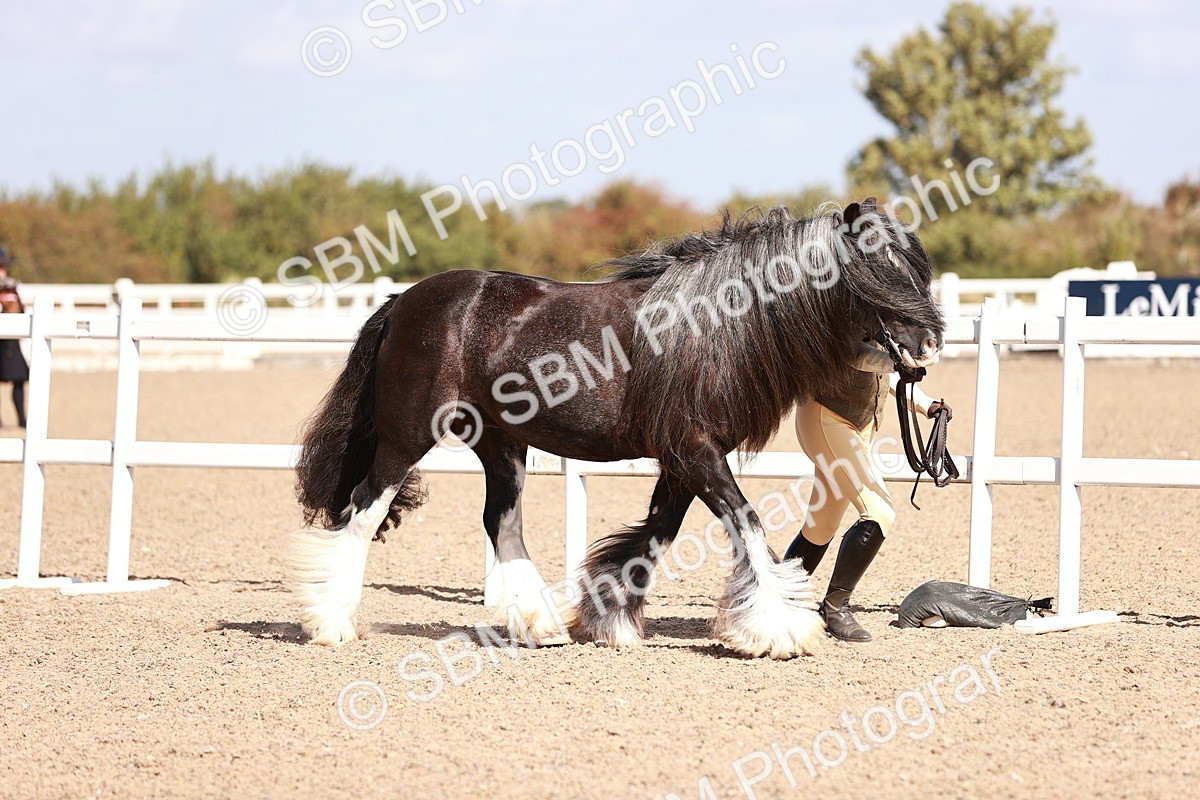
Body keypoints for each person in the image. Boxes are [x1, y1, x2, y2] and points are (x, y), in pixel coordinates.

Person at [785, 339, 951, 642]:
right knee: (879, 511)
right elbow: (857, 355)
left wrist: (927, 405)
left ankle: (781, 599)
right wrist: (895, 361)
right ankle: (835, 607)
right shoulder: (847, 305)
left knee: (820, 526)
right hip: (827, 418)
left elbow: (887, 376)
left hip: (855, 427)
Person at [0, 248, 29, 428]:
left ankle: (21, 418)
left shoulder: (13, 287)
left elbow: (21, 310)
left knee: (19, 379)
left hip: (12, 341)